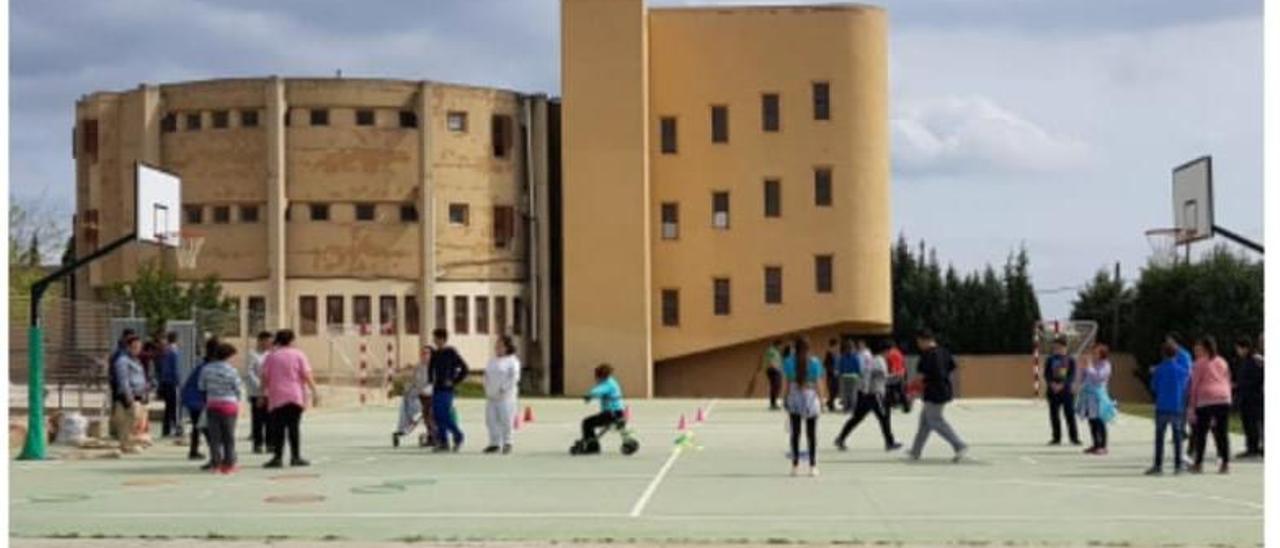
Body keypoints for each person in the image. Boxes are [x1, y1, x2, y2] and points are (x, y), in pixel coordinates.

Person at [261, 329, 318, 468]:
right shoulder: (299, 354)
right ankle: (295, 456)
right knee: (294, 428)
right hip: (295, 395)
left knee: (278, 429)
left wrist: (263, 393)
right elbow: (306, 374)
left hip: (277, 396)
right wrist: (314, 391)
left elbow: (264, 377)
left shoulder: (271, 356)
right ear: (291, 340)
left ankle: (278, 457)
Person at [907, 329, 967, 462]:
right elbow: (952, 367)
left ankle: (959, 445)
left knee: (935, 420)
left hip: (933, 392)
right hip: (943, 389)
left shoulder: (927, 355)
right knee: (925, 422)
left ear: (925, 340)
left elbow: (921, 376)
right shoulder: (944, 351)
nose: (918, 345)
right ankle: (915, 451)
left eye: (919, 341)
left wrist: (911, 392)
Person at [835, 341, 900, 452]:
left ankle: (841, 438)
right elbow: (872, 376)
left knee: (857, 418)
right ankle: (889, 442)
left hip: (867, 393)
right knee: (884, 417)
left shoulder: (874, 360)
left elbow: (876, 376)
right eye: (889, 351)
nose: (890, 353)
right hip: (874, 394)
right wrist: (894, 377)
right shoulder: (879, 361)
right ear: (885, 350)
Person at [1187, 336, 1232, 474]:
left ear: (1204, 349)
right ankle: (1225, 463)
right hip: (1223, 398)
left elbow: (1194, 385)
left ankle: (1198, 463)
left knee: (1201, 433)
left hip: (1206, 399)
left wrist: (1192, 405)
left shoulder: (1199, 363)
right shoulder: (1222, 362)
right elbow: (1227, 380)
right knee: (1222, 433)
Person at [1146, 341, 1191, 475]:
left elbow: (1154, 387)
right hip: (1176, 406)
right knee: (1177, 437)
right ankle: (1178, 465)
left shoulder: (1159, 369)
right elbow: (1185, 386)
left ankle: (1158, 465)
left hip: (1162, 405)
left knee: (1160, 436)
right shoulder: (1182, 371)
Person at [200, 342, 244, 474]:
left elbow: (202, 387)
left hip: (213, 404)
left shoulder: (206, 369)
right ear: (228, 356)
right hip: (229, 405)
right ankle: (229, 464)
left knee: (215, 437)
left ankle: (216, 464)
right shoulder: (232, 370)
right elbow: (238, 389)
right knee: (229, 437)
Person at [784, 337, 823, 477]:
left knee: (795, 433)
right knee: (811, 434)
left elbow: (788, 382)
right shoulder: (814, 362)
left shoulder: (788, 362)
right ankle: (812, 466)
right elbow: (818, 383)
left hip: (794, 396)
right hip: (810, 396)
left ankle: (795, 466)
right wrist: (822, 399)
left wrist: (785, 397)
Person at [428, 328, 469, 453]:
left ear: (442, 339)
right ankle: (443, 441)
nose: (434, 340)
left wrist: (454, 381)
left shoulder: (450, 352)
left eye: (436, 338)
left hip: (447, 390)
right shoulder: (435, 354)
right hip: (436, 388)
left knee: (444, 414)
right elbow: (431, 369)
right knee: (436, 415)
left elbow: (464, 369)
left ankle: (458, 435)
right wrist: (430, 380)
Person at [181, 337, 219, 465]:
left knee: (198, 427)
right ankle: (215, 455)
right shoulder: (210, 367)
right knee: (206, 428)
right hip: (197, 400)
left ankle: (194, 450)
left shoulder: (203, 365)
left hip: (192, 399)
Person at [110, 335, 148, 453]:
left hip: (138, 394)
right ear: (129, 347)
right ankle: (125, 444)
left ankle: (129, 442)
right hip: (128, 396)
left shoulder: (136, 361)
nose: (138, 349)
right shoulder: (122, 361)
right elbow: (123, 379)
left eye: (139, 347)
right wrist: (128, 396)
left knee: (135, 421)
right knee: (127, 421)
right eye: (135, 347)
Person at [484, 335, 521, 454]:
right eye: (497, 344)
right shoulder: (492, 360)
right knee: (491, 420)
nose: (497, 347)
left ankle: (507, 442)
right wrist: (487, 389)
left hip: (506, 397)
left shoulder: (512, 361)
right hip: (491, 395)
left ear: (507, 347)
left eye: (500, 345)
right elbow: (486, 376)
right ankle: (494, 443)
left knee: (506, 419)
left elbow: (514, 378)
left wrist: (504, 389)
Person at [1077, 343, 1116, 455]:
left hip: (1099, 396)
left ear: (1102, 354)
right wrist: (1082, 368)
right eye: (1093, 352)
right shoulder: (1092, 364)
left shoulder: (1106, 365)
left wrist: (1089, 367)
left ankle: (1103, 446)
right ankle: (1095, 444)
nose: (1093, 355)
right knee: (1091, 420)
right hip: (1088, 396)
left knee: (1100, 421)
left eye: (1095, 353)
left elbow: (1099, 377)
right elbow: (1083, 378)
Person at [578, 363, 626, 452]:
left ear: (601, 375)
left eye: (596, 376)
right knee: (590, 422)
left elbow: (598, 391)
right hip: (617, 412)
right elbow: (599, 391)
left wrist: (588, 395)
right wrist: (590, 396)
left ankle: (592, 447)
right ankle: (592, 444)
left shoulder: (607, 384)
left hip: (612, 414)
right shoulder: (611, 381)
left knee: (587, 423)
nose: (595, 378)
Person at [1043, 336, 1081, 446]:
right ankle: (1056, 438)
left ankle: (1074, 438)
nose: (1057, 349)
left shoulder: (1070, 360)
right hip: (1053, 392)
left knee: (1070, 415)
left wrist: (1063, 385)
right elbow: (1046, 374)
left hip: (1067, 392)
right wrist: (1051, 384)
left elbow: (1072, 375)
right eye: (1055, 347)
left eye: (1059, 347)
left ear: (1065, 347)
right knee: (1054, 415)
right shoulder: (1050, 360)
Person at [393, 345, 433, 448]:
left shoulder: (434, 368)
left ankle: (432, 434)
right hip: (417, 397)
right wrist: (407, 390)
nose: (424, 355)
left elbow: (433, 384)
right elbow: (414, 382)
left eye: (427, 353)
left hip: (429, 396)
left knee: (428, 412)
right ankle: (403, 429)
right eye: (422, 353)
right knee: (407, 403)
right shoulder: (418, 367)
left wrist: (425, 391)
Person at [1232, 337, 1264, 459]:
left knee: (1253, 424)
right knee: (1247, 423)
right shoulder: (1244, 360)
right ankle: (1250, 447)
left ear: (1245, 348)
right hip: (1245, 397)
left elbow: (1258, 378)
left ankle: (1254, 449)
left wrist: (1240, 385)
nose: (1237, 351)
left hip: (1254, 397)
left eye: (1238, 349)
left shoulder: (1256, 359)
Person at [244, 331, 272, 454]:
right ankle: (258, 444)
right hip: (256, 392)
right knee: (258, 419)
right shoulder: (252, 355)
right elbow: (249, 373)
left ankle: (270, 443)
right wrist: (260, 387)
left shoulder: (270, 355)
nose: (269, 344)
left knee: (270, 419)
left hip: (269, 392)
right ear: (260, 341)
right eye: (267, 341)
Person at [156, 332, 181, 438]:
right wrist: (178, 380)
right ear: (176, 339)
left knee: (168, 407)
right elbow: (175, 368)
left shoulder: (166, 351)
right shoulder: (174, 351)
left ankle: (166, 429)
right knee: (174, 407)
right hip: (172, 382)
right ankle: (176, 428)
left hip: (166, 381)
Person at [884, 339, 910, 413]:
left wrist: (891, 373)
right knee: (900, 391)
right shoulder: (898, 352)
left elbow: (893, 365)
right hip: (901, 373)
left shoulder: (891, 354)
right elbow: (902, 363)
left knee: (890, 390)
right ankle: (906, 407)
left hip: (895, 374)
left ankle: (892, 405)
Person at [837, 338, 861, 412]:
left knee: (845, 392)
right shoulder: (855, 357)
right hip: (853, 376)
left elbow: (840, 367)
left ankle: (846, 407)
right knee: (853, 393)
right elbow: (858, 367)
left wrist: (840, 375)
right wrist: (859, 375)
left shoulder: (842, 357)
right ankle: (852, 408)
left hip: (844, 376)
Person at [763, 340, 784, 410]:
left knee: (776, 387)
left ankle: (774, 403)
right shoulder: (772, 351)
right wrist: (778, 369)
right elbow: (771, 362)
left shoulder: (775, 351)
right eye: (781, 346)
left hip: (775, 370)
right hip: (773, 371)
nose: (781, 348)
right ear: (778, 345)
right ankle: (773, 403)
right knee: (775, 387)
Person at [823, 339, 840, 412]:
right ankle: (831, 405)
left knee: (836, 390)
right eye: (836, 346)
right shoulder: (828, 354)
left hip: (837, 375)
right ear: (832, 346)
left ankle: (829, 402)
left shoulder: (837, 354)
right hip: (830, 376)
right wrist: (832, 370)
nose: (837, 347)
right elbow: (825, 364)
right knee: (832, 390)